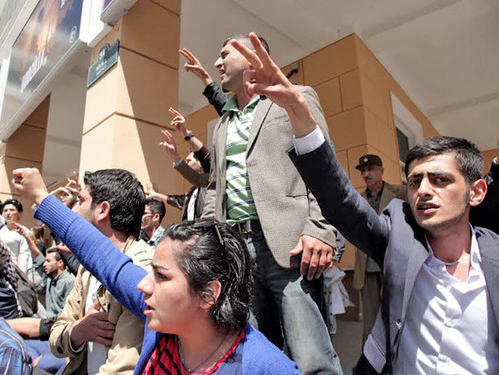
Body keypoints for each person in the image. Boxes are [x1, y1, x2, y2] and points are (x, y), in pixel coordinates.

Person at [227, 32, 499, 374]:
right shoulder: (399, 237)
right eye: (415, 181)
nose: (424, 191)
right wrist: (297, 109)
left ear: (476, 192)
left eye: (440, 179)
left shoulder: (493, 259)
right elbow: (340, 198)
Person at [12, 167, 300, 374]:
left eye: (161, 276)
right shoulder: (164, 325)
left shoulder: (263, 364)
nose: (142, 286)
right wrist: (41, 196)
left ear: (208, 294)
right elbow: (102, 257)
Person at [201, 34, 342, 374]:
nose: (217, 63)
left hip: (290, 248)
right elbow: (214, 187)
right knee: (255, 356)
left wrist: (321, 229)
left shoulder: (294, 98)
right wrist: (206, 242)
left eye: (224, 55)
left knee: (311, 359)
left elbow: (324, 165)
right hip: (236, 253)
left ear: (250, 57)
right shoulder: (221, 125)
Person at [49, 169, 154, 374]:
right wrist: (78, 331)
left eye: (80, 200)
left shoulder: (140, 268)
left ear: (102, 210)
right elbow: (56, 339)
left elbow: (123, 369)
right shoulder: (87, 269)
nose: (73, 210)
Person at [353, 155, 406, 344]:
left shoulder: (400, 193)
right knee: (370, 320)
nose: (367, 174)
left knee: (398, 313)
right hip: (367, 265)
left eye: (372, 169)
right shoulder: (357, 199)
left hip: (394, 262)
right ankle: (369, 363)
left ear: (382, 171)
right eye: (363, 171)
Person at [0, 199, 32, 273]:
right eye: (5, 210)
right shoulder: (1, 231)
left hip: (18, 272)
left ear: (19, 213)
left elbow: (24, 255)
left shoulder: (25, 232)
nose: (8, 213)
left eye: (11, 210)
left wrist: (20, 276)